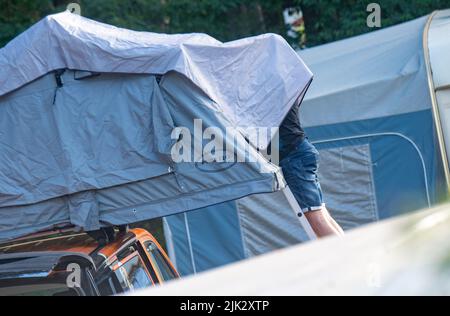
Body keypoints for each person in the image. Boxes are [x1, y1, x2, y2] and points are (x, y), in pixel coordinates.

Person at [278, 100, 344, 237]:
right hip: (300, 151)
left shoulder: (268, 89)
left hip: (293, 157)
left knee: (316, 220)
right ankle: (349, 253)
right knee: (322, 215)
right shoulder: (283, 86)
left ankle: (347, 257)